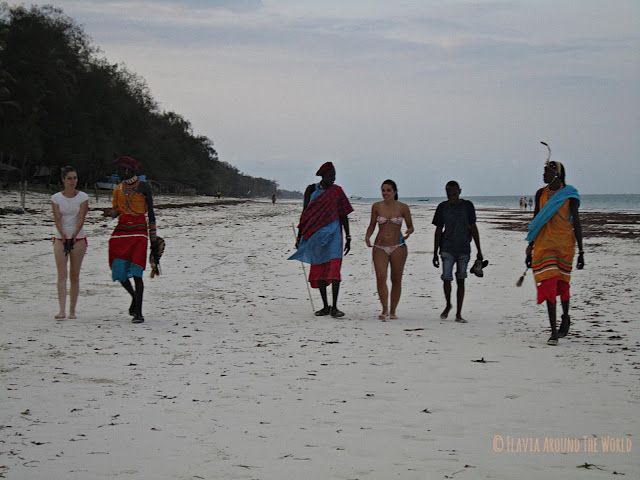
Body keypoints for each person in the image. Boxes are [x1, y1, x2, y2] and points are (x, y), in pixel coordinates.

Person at [526, 160, 583, 345]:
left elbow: (577, 223)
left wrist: (582, 250)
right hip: (544, 245)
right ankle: (553, 331)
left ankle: (565, 316)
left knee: (563, 285)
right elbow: (536, 220)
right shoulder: (540, 194)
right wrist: (530, 246)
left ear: (556, 174)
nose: (543, 175)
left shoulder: (570, 195)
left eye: (546, 172)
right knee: (549, 284)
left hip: (564, 246)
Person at [289, 162, 353, 318]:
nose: (333, 179)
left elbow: (343, 214)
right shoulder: (311, 190)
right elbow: (305, 214)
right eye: (331, 176)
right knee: (320, 269)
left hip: (334, 237)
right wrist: (299, 236)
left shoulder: (337, 191)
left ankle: (335, 307)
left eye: (335, 176)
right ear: (323, 176)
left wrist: (349, 236)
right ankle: (325, 306)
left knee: (334, 269)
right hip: (315, 236)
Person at [104, 156, 157, 323]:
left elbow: (151, 214)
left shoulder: (144, 187)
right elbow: (117, 210)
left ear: (129, 170)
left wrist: (153, 239)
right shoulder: (118, 189)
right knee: (118, 269)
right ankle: (134, 297)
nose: (118, 173)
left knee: (137, 272)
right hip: (122, 230)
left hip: (140, 231)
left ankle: (139, 313)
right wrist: (111, 213)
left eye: (121, 170)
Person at [432, 180, 483, 323]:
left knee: (461, 280)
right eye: (448, 193)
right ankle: (448, 304)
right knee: (446, 278)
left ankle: (459, 313)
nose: (451, 195)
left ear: (460, 191)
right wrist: (435, 252)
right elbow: (438, 230)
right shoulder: (442, 207)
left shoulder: (467, 206)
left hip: (463, 249)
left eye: (454, 193)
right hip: (447, 248)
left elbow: (473, 227)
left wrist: (479, 250)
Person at [365, 180, 414, 320]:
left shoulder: (403, 207)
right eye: (383, 190)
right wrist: (367, 236)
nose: (385, 193)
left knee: (396, 278)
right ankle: (384, 309)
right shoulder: (376, 206)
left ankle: (393, 310)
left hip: (398, 246)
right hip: (380, 246)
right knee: (381, 277)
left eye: (388, 190)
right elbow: (372, 225)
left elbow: (411, 226)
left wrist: (409, 232)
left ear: (395, 191)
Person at [51, 166, 89, 320]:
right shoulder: (56, 198)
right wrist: (63, 235)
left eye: (75, 178)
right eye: (69, 178)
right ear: (63, 180)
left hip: (78, 237)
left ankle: (72, 310)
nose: (73, 181)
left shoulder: (83, 197)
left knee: (74, 274)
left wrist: (73, 235)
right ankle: (61, 310)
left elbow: (81, 217)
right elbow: (57, 218)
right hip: (60, 237)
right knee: (62, 275)